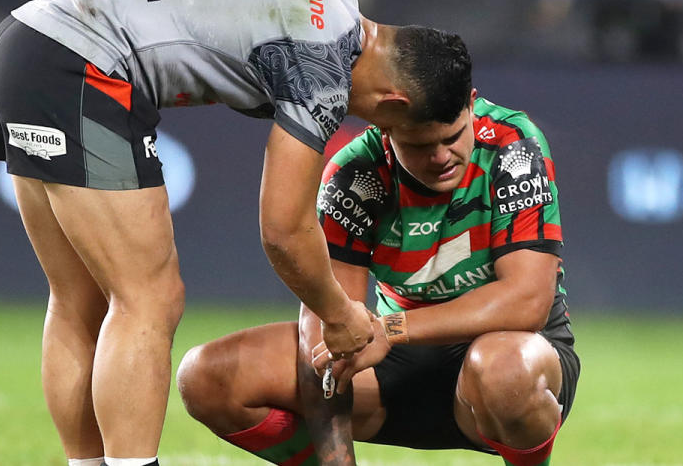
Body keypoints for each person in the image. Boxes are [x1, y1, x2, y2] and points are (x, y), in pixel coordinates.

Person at [0, 0, 470, 466]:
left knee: (81, 300)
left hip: (23, 39)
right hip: (81, 66)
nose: (406, 148)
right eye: (405, 136)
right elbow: (283, 229)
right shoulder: (323, 70)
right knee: (150, 299)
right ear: (393, 102)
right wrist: (338, 313)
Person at [176, 85, 580, 466]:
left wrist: (393, 328)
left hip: (505, 353)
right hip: (393, 368)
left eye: (453, 137)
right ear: (385, 131)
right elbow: (325, 338)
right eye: (421, 145)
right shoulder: (356, 174)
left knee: (503, 370)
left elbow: (527, 302)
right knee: (206, 377)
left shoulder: (512, 143)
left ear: (471, 106)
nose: (441, 156)